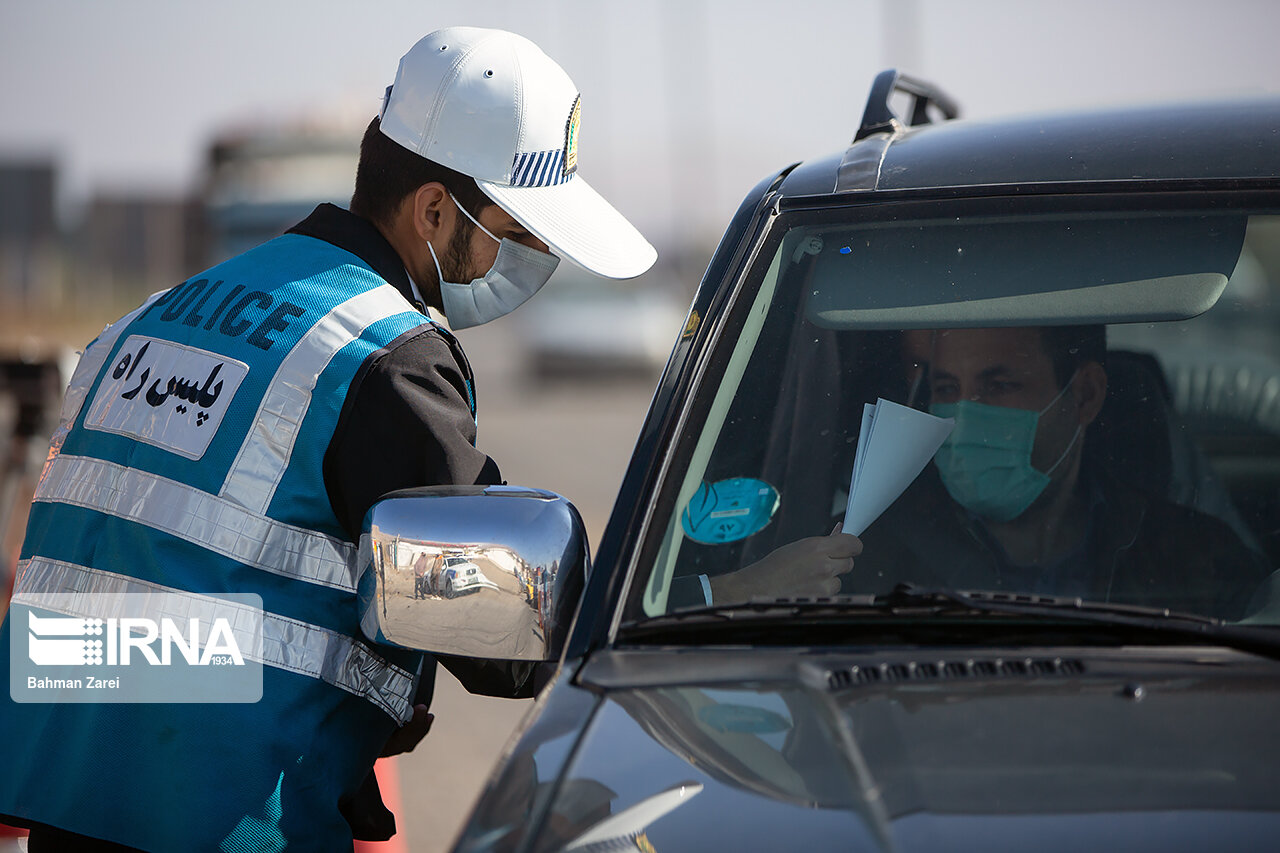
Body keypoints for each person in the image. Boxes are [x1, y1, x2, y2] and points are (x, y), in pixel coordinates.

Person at [0, 26, 655, 851]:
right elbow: (508, 639)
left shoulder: (146, 321)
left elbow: (142, 587)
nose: (527, 258)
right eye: (515, 233)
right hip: (227, 825)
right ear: (432, 209)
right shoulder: (384, 362)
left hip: (68, 811)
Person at [854, 325, 1270, 618]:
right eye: (946, 390)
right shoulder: (866, 559)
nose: (964, 416)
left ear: (1085, 395)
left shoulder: (1193, 558)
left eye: (998, 385)